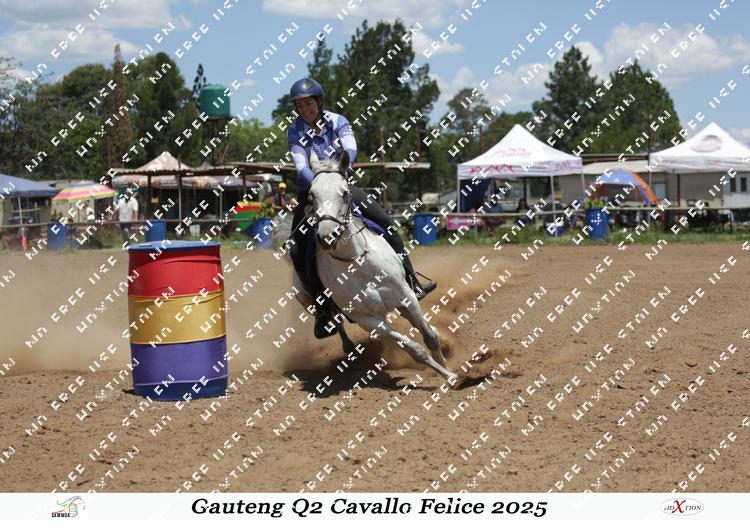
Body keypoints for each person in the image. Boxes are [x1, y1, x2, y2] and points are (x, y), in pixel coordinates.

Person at [286, 77, 436, 339]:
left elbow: (350, 148)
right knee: (297, 248)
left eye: (308, 103)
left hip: (341, 186)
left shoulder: (339, 121)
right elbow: (301, 166)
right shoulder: (294, 131)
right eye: (300, 106)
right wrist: (320, 181)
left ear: (319, 102)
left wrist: (341, 170)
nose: (305, 109)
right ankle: (323, 309)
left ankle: (412, 280)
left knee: (386, 222)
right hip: (311, 192)